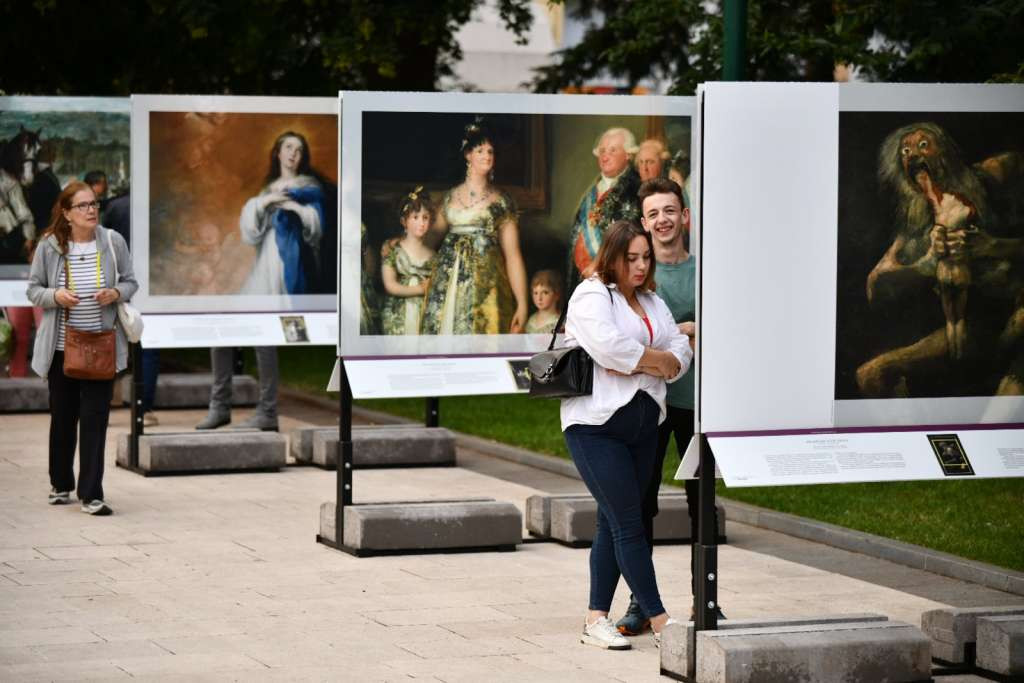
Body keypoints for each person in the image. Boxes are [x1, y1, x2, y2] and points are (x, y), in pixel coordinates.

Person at [561, 219, 692, 650]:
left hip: (644, 428)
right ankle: (660, 621)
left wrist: (650, 360)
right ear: (612, 256)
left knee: (610, 522)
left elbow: (680, 351)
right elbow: (608, 347)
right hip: (596, 428)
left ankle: (595, 618)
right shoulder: (592, 294)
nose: (639, 266)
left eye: (645, 257)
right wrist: (655, 360)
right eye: (630, 258)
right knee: (629, 523)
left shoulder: (653, 301)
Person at [612, 178, 723, 635]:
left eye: (670, 210)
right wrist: (689, 329)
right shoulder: (639, 271)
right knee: (642, 505)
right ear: (644, 222)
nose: (663, 219)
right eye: (654, 212)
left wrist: (686, 328)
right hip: (650, 404)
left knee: (703, 505)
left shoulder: (705, 269)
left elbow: (729, 321)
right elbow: (632, 332)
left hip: (701, 403)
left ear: (685, 217)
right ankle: (642, 604)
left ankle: (707, 604)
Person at [197, 131, 333, 432]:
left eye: (299, 149)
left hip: (288, 269)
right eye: (288, 147)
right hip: (264, 265)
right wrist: (264, 203)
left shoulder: (310, 189)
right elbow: (251, 232)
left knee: (265, 336)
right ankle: (219, 406)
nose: (293, 154)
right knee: (222, 330)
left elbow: (317, 229)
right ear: (277, 152)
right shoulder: (268, 190)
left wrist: (296, 209)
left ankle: (267, 412)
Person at [26, 181, 137, 516]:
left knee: (95, 420)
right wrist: (56, 297)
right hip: (62, 348)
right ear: (67, 212)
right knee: (63, 418)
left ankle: (92, 494)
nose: (91, 210)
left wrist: (115, 293)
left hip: (101, 345)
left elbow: (131, 282)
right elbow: (33, 291)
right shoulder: (50, 246)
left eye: (94, 204)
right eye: (83, 205)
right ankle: (61, 483)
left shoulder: (113, 241)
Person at [420, 120, 528, 334]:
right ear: (468, 155)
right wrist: (399, 244)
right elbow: (428, 240)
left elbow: (513, 256)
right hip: (447, 284)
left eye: (490, 151)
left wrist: (522, 303)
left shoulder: (502, 202)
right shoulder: (449, 198)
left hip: (487, 289)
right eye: (480, 150)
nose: (487, 156)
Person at [568, 127, 642, 291]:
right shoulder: (591, 192)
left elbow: (630, 238)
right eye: (602, 150)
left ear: (628, 154)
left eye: (612, 150)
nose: (605, 156)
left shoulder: (636, 190)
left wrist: (598, 264)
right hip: (581, 280)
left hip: (613, 281)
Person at [380, 187, 436, 335]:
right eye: (415, 217)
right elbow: (389, 285)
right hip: (397, 316)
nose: (421, 223)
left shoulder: (433, 256)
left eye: (425, 218)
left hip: (423, 316)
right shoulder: (392, 249)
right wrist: (419, 289)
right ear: (404, 221)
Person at [525, 269, 562, 334]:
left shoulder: (560, 322)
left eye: (545, 292)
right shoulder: (531, 321)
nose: (539, 298)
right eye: (535, 293)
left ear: (556, 295)